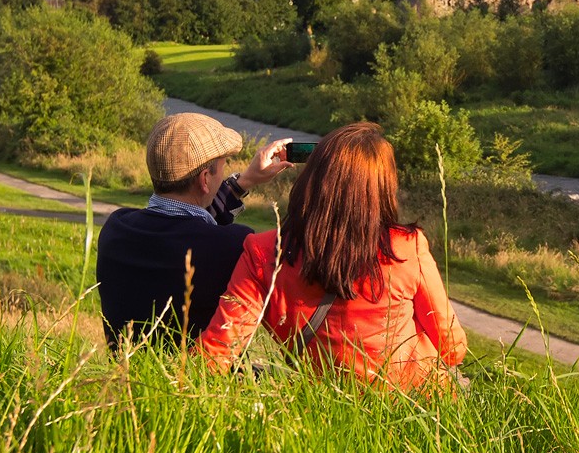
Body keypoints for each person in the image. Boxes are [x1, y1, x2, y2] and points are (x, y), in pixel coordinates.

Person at [198, 122, 467, 388]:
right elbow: (452, 347)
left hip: (324, 408)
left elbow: (216, 354)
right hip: (415, 406)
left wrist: (243, 181)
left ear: (311, 179)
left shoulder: (263, 252)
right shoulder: (407, 247)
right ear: (383, 186)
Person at [96, 112, 291, 349]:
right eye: (222, 167)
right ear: (205, 179)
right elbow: (202, 236)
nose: (224, 173)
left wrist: (244, 182)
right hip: (205, 379)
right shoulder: (234, 246)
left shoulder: (116, 229)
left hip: (128, 373)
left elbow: (188, 228)